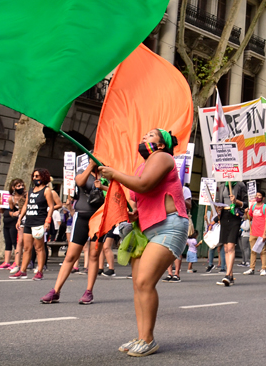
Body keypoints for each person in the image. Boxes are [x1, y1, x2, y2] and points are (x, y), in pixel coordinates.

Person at [99, 128, 190, 357]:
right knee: (138, 285)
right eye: (143, 136)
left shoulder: (162, 157)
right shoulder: (143, 165)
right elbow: (142, 202)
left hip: (169, 227)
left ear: (161, 145)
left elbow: (144, 185)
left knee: (144, 281)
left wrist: (115, 174)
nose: (143, 139)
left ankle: (148, 340)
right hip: (147, 230)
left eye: (149, 136)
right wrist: (134, 214)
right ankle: (141, 337)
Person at [40, 160, 105, 304]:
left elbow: (115, 192)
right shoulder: (83, 171)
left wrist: (103, 185)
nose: (93, 160)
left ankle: (89, 291)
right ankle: (55, 291)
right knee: (70, 255)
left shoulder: (107, 173)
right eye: (91, 157)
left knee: (94, 255)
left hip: (100, 218)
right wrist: (90, 167)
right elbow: (80, 182)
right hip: (81, 216)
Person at [11, 169, 60, 280]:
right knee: (27, 248)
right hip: (29, 221)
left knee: (39, 248)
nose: (35, 178)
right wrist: (20, 219)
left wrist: (47, 221)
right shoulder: (31, 190)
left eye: (37, 176)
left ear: (43, 177)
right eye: (34, 176)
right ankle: (22, 271)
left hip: (39, 221)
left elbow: (51, 206)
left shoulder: (47, 190)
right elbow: (26, 205)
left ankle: (40, 271)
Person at [216, 177, 248, 287]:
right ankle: (230, 275)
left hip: (235, 216)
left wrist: (236, 201)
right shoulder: (222, 185)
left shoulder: (240, 185)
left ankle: (228, 275)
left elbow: (246, 203)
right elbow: (219, 201)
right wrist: (218, 207)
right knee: (225, 248)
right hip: (224, 216)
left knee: (230, 246)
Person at [164, 183, 194, 282]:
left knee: (177, 249)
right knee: (167, 248)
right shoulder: (166, 187)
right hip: (166, 219)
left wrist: (179, 197)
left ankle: (176, 273)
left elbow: (189, 205)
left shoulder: (184, 189)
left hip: (179, 220)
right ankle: (169, 273)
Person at [243, 190, 266, 275]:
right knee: (253, 250)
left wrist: (264, 233)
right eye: (256, 195)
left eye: (259, 196)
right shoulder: (253, 206)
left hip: (262, 232)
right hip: (253, 231)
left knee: (263, 251)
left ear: (263, 198)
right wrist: (246, 213)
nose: (257, 197)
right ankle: (251, 268)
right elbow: (250, 218)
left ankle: (263, 268)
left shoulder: (265, 207)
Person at [0, 179, 24, 270]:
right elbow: (9, 211)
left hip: (19, 221)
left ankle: (17, 262)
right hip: (10, 221)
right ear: (13, 188)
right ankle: (7, 261)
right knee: (8, 241)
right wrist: (13, 213)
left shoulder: (25, 196)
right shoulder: (11, 198)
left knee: (16, 242)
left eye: (22, 185)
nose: (21, 187)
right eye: (18, 186)